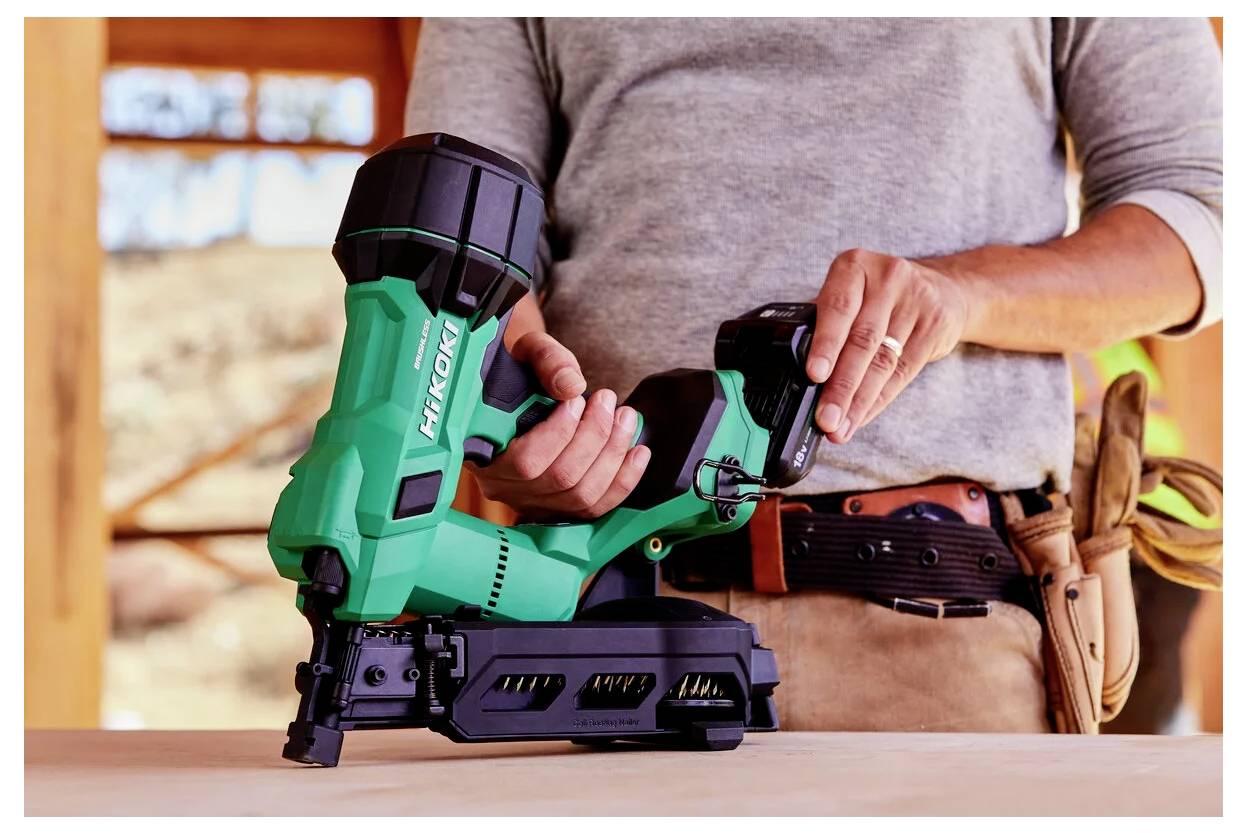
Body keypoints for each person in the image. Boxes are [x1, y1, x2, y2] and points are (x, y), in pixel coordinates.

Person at [405, 18, 1223, 732]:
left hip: (941, 634)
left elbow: (1202, 216)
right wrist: (504, 399)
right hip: (600, 607)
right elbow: (449, 226)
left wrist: (964, 294)